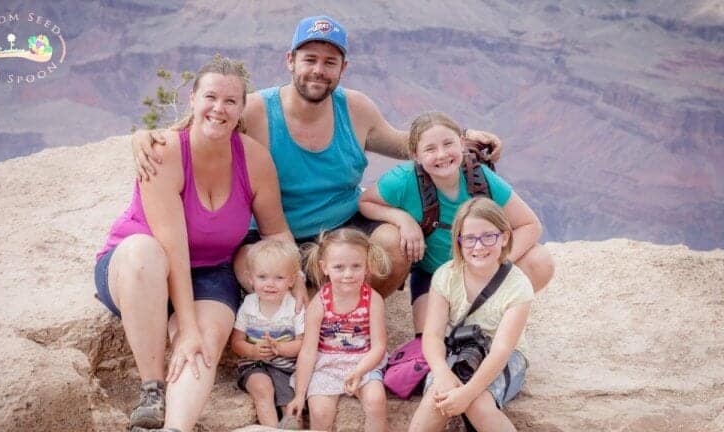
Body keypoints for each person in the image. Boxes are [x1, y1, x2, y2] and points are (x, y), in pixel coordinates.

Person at [130, 15, 504, 299]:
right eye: (310, 59)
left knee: (394, 246)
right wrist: (145, 137)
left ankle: (352, 318)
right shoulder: (258, 111)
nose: (318, 71)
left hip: (344, 224)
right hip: (274, 232)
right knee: (251, 269)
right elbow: (205, 125)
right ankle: (310, 315)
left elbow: (407, 143)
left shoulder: (355, 108)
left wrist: (461, 139)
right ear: (290, 60)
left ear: (343, 68)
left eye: (330, 62)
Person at [93, 55, 292, 432]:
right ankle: (151, 389)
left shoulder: (253, 159)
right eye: (210, 97)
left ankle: (174, 428)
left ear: (241, 108)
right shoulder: (164, 151)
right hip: (139, 273)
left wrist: (299, 285)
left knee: (207, 337)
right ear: (193, 99)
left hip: (209, 271)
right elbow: (172, 247)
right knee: (144, 251)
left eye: (230, 101)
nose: (219, 108)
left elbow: (276, 231)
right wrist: (185, 326)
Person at [359, 112, 554, 334]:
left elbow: (529, 225)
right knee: (429, 341)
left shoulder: (479, 178)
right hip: (434, 276)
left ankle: (491, 310)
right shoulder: (402, 180)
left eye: (448, 144)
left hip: (482, 272)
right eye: (430, 149)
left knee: (539, 261)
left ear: (461, 143)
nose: (441, 155)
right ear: (415, 155)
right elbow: (366, 202)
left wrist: (497, 263)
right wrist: (403, 220)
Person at [408, 197, 534, 432]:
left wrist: (467, 394)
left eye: (488, 236)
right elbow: (433, 335)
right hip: (458, 347)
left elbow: (502, 349)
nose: (478, 247)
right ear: (458, 240)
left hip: (503, 355)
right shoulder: (446, 276)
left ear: (504, 237)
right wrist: (442, 374)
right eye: (469, 238)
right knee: (438, 397)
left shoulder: (518, 286)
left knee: (478, 405)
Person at [285, 228, 390, 432]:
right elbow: (308, 350)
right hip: (327, 364)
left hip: (363, 361)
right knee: (320, 411)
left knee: (376, 401)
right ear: (325, 267)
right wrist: (299, 395)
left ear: (367, 266)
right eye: (339, 267)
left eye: (356, 266)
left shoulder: (373, 300)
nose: (348, 274)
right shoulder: (319, 303)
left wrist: (359, 371)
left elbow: (379, 346)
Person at [230, 239, 305, 428]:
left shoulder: (294, 307)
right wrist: (253, 351)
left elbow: (302, 343)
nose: (270, 284)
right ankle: (270, 428)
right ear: (251, 278)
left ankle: (292, 426)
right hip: (253, 364)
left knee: (289, 399)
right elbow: (236, 342)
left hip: (286, 366)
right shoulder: (249, 305)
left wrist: (280, 348)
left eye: (279, 278)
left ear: (291, 280)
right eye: (262, 277)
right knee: (262, 388)